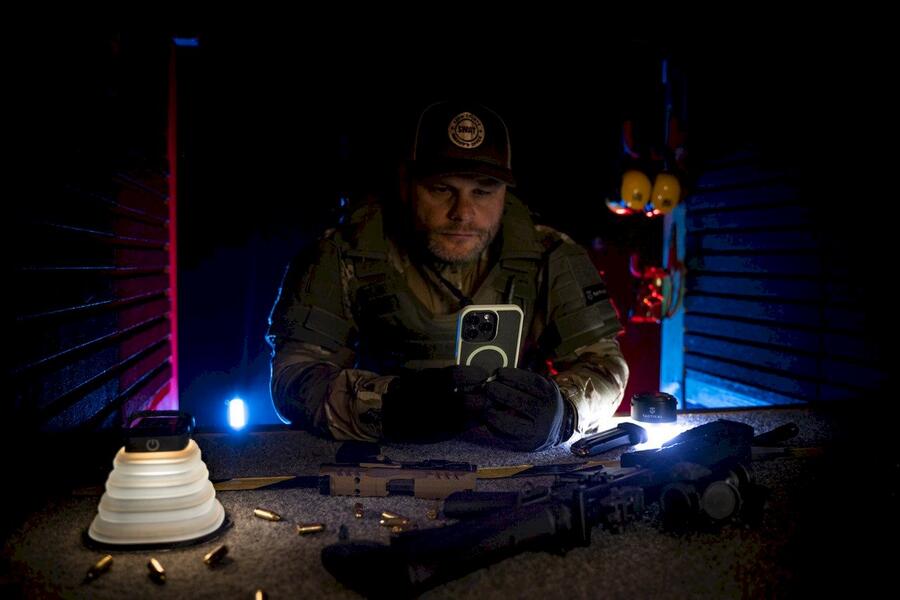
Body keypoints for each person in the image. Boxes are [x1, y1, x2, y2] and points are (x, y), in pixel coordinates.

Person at [266, 100, 629, 451]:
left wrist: (564, 413)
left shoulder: (549, 254)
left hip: (507, 456)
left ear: (505, 193)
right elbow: (294, 377)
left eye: (483, 191)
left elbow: (604, 366)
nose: (463, 213)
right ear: (406, 183)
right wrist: (389, 405)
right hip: (383, 453)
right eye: (441, 189)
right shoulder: (345, 253)